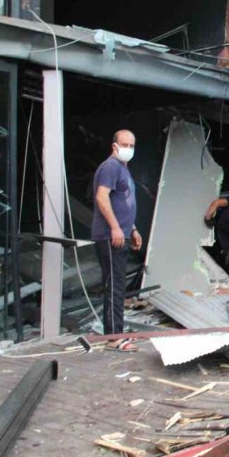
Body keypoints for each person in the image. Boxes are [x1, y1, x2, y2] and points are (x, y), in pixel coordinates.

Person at [92, 130, 142, 349]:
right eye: (125, 144)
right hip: (110, 236)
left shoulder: (123, 169)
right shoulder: (111, 167)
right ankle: (113, 338)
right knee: (114, 286)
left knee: (118, 285)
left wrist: (132, 229)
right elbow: (102, 197)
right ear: (114, 146)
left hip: (121, 234)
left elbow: (123, 202)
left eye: (132, 145)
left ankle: (116, 332)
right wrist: (114, 227)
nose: (128, 149)